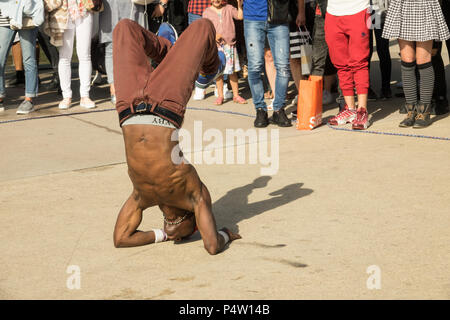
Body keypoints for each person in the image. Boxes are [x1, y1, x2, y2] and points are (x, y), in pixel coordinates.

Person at [111, 18, 240, 254]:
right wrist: (226, 234)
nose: (169, 229)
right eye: (178, 232)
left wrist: (161, 236)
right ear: (194, 224)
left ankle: (171, 54)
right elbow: (212, 246)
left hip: (129, 106)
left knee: (124, 29)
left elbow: (120, 238)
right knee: (203, 27)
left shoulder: (142, 197)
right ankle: (207, 70)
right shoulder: (193, 194)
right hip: (167, 104)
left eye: (167, 228)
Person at [383, 0, 450, 128]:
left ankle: (424, 111)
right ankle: (411, 111)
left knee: (423, 60)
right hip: (402, 4)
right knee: (407, 61)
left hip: (424, 4)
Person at [99, 0, 167, 105]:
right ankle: (114, 89)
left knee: (141, 46)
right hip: (111, 7)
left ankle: (142, 87)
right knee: (111, 47)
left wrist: (162, 3)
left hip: (134, 5)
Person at [243, 0, 292, 128]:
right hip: (253, 16)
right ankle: (260, 109)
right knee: (254, 66)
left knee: (283, 66)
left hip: (278, 15)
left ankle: (278, 109)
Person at [325, 0, 371, 130]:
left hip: (358, 9)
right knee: (340, 64)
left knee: (359, 62)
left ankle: (362, 110)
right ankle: (350, 109)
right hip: (333, 11)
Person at [0, 0, 43, 114]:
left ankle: (29, 99)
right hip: (4, 15)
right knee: (0, 58)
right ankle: (0, 96)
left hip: (26, 13)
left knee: (29, 59)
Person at [53, 0, 96, 110]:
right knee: (64, 56)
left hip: (85, 7)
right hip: (63, 10)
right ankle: (66, 96)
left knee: (85, 55)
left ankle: (85, 95)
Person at [203, 0, 246, 105]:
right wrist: (214, 35)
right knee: (219, 73)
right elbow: (205, 28)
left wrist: (240, 6)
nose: (216, 0)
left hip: (229, 45)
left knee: (232, 72)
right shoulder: (207, 12)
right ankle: (220, 95)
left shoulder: (229, 8)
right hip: (216, 47)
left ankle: (236, 95)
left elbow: (240, 17)